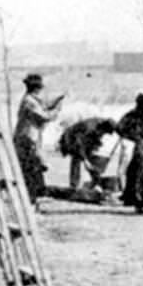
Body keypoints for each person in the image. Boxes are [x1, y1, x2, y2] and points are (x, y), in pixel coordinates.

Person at [13, 73, 64, 203]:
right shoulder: (29, 101)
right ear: (37, 88)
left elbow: (44, 106)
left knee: (34, 167)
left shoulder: (31, 99)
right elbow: (44, 116)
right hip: (27, 139)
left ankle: (36, 194)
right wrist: (56, 111)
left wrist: (56, 102)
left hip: (30, 138)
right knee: (31, 168)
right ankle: (33, 196)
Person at [57, 116, 117, 191]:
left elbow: (95, 138)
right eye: (105, 132)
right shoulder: (89, 127)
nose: (104, 134)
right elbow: (79, 144)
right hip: (70, 138)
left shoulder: (100, 125)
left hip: (84, 139)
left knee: (91, 160)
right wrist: (85, 160)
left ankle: (96, 181)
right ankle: (74, 185)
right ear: (104, 127)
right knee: (77, 158)